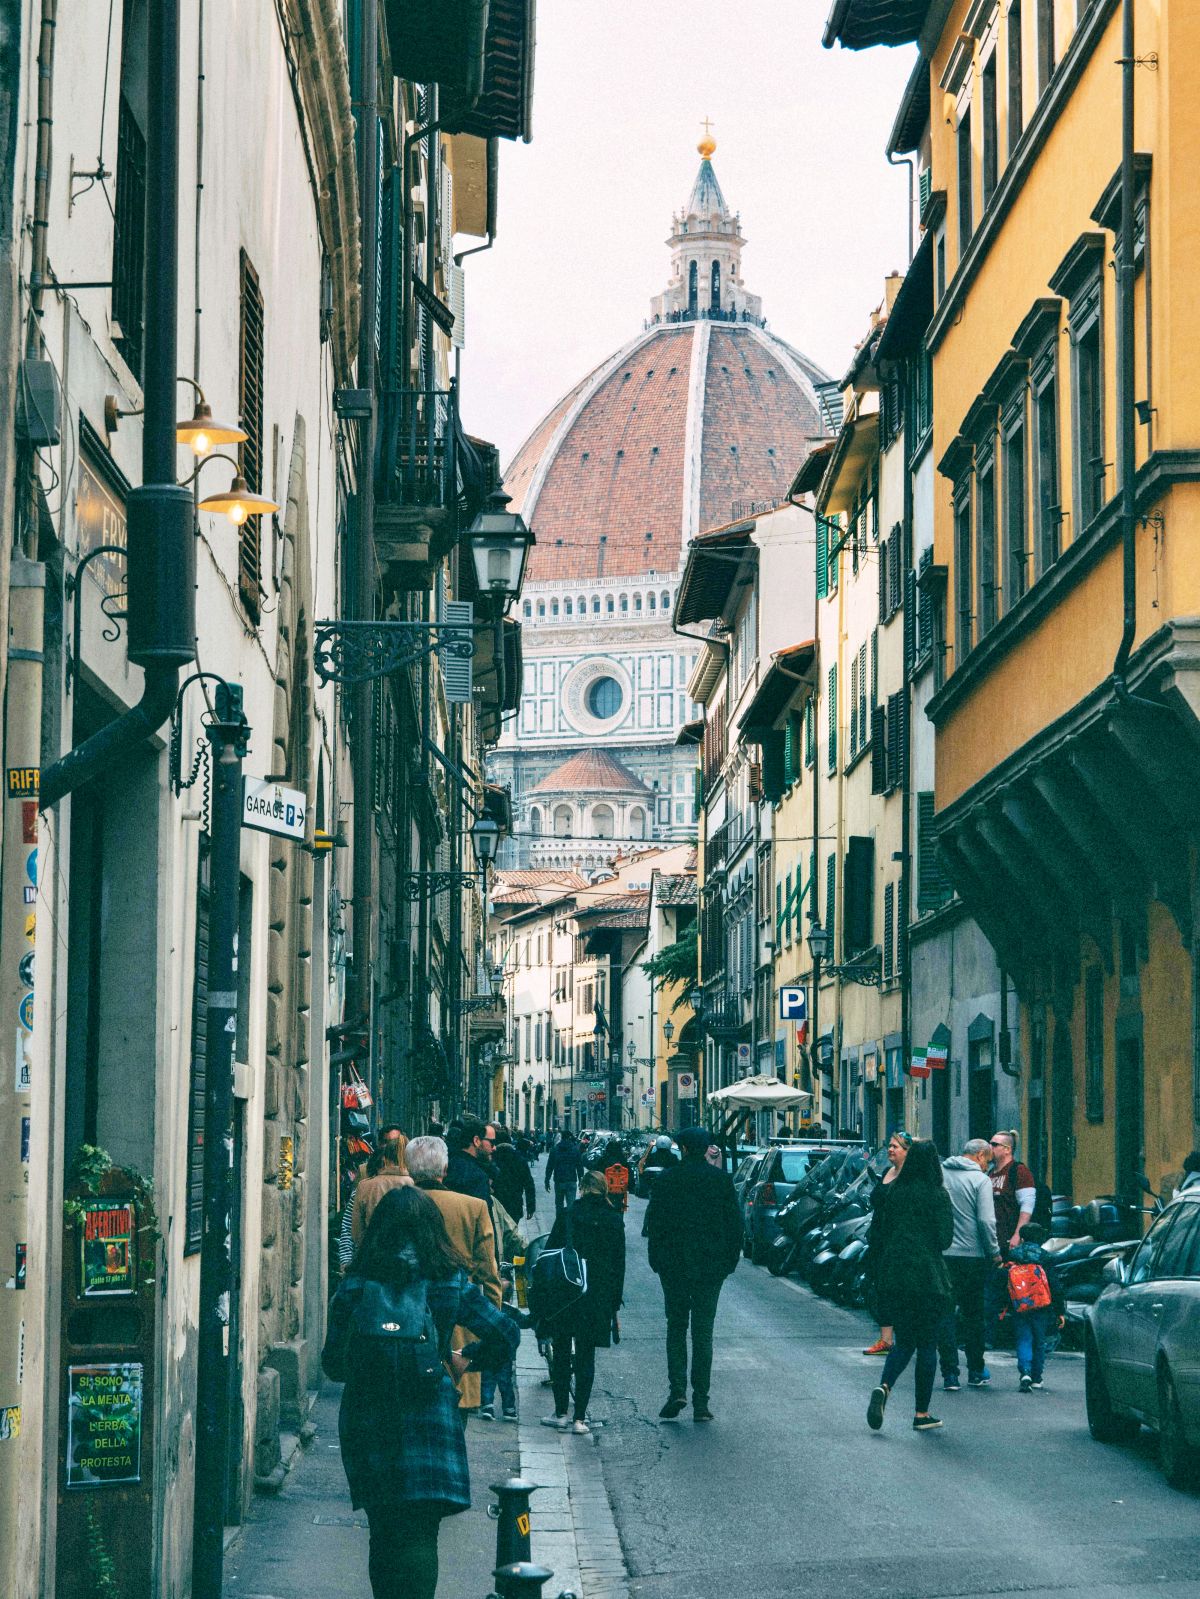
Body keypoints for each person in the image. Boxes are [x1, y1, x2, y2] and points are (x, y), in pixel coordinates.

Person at [323, 1185, 519, 1599]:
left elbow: (333, 1364)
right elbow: (507, 1334)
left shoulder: (356, 1285)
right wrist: (465, 1356)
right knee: (420, 1534)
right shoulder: (449, 1283)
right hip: (430, 1415)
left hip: (368, 1417)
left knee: (384, 1529)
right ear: (433, 1230)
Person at [645, 1124, 742, 1422]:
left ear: (683, 1148)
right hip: (711, 1268)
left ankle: (677, 1390)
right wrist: (729, 1263)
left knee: (676, 1327)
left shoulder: (667, 1180)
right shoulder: (721, 1181)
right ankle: (701, 1402)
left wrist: (657, 1261)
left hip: (674, 1267)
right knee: (703, 1333)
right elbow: (735, 1226)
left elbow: (654, 1225)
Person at [406, 1135, 502, 1414]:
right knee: (455, 1408)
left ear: (410, 1170)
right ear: (445, 1170)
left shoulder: (396, 1204)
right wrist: (489, 1321)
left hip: (407, 1316)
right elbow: (488, 1271)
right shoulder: (473, 1207)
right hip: (459, 1323)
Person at [865, 1140, 954, 1433]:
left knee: (903, 1342)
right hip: (927, 1278)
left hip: (894, 1275)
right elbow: (944, 1239)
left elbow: (880, 1230)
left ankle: (884, 1386)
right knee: (928, 1344)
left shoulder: (895, 1193)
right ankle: (921, 1413)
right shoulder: (937, 1194)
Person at [539, 1171, 625, 1434]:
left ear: (582, 1189)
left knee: (562, 1352)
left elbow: (550, 1254)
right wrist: (614, 1302)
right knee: (587, 1356)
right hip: (597, 1295)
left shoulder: (568, 1215)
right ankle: (580, 1419)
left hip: (566, 1294)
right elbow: (618, 1265)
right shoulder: (613, 1219)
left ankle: (561, 1412)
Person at [938, 1138, 1001, 1391]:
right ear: (981, 1156)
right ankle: (975, 1370)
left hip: (944, 1255)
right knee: (974, 1316)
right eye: (988, 1161)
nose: (988, 1166)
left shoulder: (941, 1174)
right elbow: (986, 1221)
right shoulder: (980, 1181)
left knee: (946, 1315)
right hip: (973, 1258)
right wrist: (994, 1252)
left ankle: (950, 1374)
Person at [863, 1131, 912, 1356]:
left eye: (896, 1147)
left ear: (908, 1152)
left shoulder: (911, 1178)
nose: (891, 1150)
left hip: (899, 1243)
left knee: (899, 1290)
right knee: (880, 1288)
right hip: (879, 1240)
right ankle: (886, 1339)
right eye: (890, 1146)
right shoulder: (887, 1172)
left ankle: (905, 1338)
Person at [1005, 1221, 1063, 1391]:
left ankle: (1025, 1372)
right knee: (1039, 1340)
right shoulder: (1046, 1257)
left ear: (1021, 1238)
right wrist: (1060, 1310)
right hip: (1041, 1305)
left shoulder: (1013, 1256)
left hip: (1019, 1304)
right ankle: (1037, 1377)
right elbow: (1054, 1285)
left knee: (1024, 1338)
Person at [351, 1136, 414, 1248]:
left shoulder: (365, 1186)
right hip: (406, 1256)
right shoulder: (415, 1184)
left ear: (384, 1159)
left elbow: (356, 1232)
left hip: (372, 1255)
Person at [491, 1126, 537, 1222]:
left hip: (495, 1204)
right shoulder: (519, 1159)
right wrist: (531, 1206)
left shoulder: (492, 1158)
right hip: (514, 1204)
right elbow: (529, 1184)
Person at [444, 1118, 495, 1205]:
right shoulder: (478, 1176)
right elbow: (483, 1215)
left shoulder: (448, 1166)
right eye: (492, 1142)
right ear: (476, 1141)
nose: (494, 1148)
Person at [545, 1129, 586, 1216]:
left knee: (559, 1205)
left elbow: (549, 1167)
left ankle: (559, 1225)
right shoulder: (575, 1150)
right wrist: (581, 1180)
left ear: (562, 1138)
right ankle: (569, 1226)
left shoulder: (555, 1150)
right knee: (571, 1206)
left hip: (559, 1181)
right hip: (571, 1180)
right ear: (570, 1138)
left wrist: (547, 1180)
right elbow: (579, 1167)